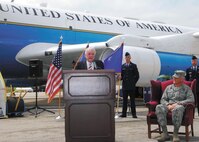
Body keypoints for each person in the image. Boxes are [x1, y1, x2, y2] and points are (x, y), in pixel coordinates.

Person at [156, 70, 194, 142]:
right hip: (168, 105)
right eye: (173, 77)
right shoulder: (168, 87)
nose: (174, 79)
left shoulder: (186, 88)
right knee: (159, 107)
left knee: (178, 109)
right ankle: (165, 133)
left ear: (182, 79)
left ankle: (175, 134)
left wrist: (178, 103)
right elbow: (163, 99)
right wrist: (167, 105)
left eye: (176, 78)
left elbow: (191, 99)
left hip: (178, 106)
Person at [119, 52, 139, 118]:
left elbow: (137, 76)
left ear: (130, 58)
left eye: (128, 57)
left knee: (132, 101)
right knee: (124, 101)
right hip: (125, 86)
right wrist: (119, 77)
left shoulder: (133, 66)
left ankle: (134, 114)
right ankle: (123, 114)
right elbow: (121, 76)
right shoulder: (123, 66)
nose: (127, 58)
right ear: (125, 58)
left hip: (131, 86)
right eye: (126, 57)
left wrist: (133, 82)